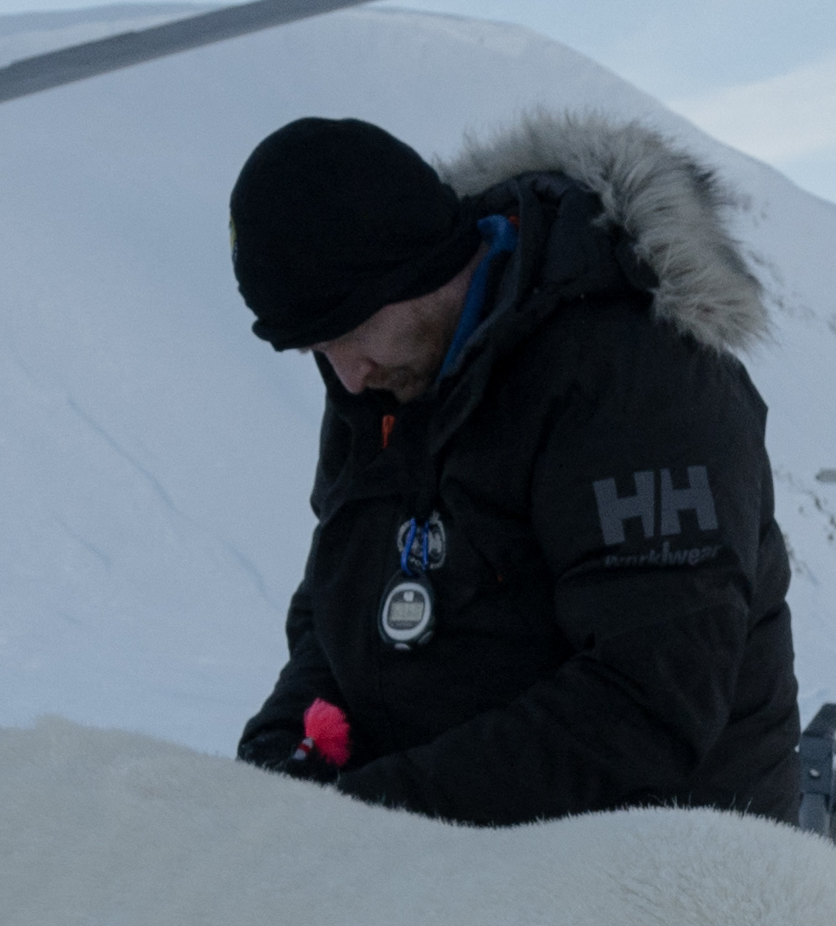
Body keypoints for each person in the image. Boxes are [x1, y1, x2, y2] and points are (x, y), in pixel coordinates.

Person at [229, 111, 801, 825]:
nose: (344, 375)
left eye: (348, 332)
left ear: (417, 267)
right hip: (455, 860)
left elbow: (648, 701)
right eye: (316, 348)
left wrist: (375, 820)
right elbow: (343, 609)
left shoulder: (633, 375)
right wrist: (285, 746)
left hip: (666, 878)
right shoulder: (384, 382)